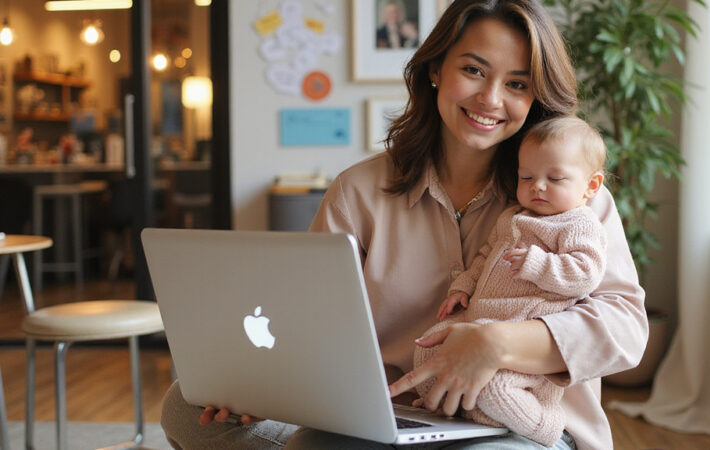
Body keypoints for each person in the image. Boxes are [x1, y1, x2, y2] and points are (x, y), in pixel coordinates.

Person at [159, 1, 647, 449]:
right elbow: (306, 327)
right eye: (473, 70)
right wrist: (260, 383)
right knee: (186, 405)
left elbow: (625, 328)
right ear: (436, 69)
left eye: (517, 83)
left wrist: (496, 344)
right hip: (393, 417)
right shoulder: (358, 192)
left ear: (535, 94)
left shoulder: (567, 195)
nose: (491, 99)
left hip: (517, 421)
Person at [413, 116, 607, 447]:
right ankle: (457, 409)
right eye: (527, 177)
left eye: (555, 178)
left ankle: (542, 425)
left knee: (496, 387)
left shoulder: (578, 222)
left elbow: (586, 273)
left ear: (591, 186)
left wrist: (537, 263)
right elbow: (485, 256)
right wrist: (463, 287)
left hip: (521, 340)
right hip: (478, 320)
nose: (538, 186)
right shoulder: (513, 216)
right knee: (426, 350)